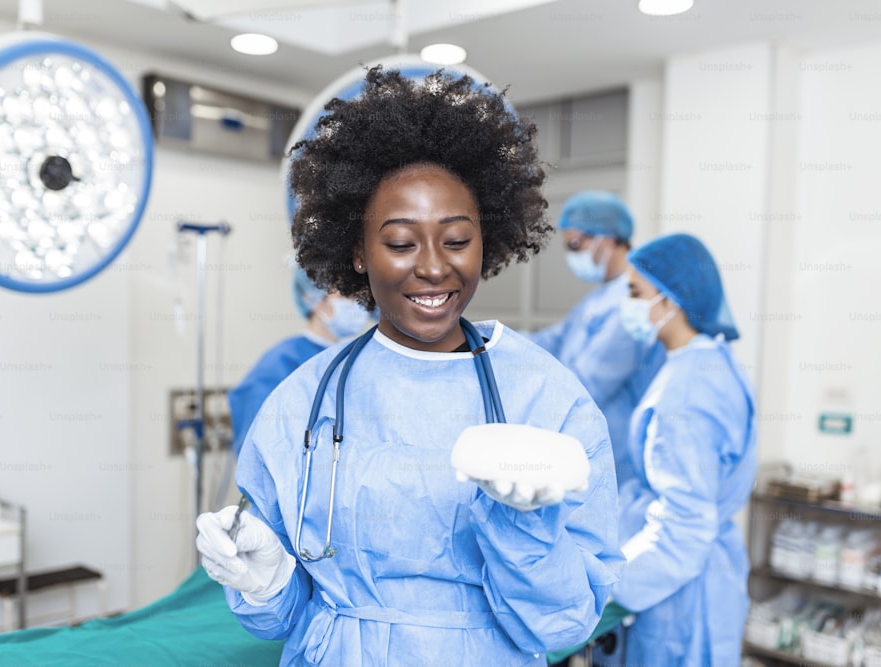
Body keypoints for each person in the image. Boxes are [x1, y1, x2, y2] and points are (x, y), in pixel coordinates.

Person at [195, 65, 625, 666]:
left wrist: (527, 536)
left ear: (489, 239)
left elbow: (564, 627)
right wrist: (265, 581)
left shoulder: (544, 397)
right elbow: (288, 616)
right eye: (400, 243)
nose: (432, 268)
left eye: (456, 240)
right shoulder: (304, 401)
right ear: (357, 251)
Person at [609, 232, 757, 666]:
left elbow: (683, 529)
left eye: (636, 292)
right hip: (711, 578)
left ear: (670, 300)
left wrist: (607, 585)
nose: (629, 305)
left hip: (683, 598)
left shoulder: (687, 396)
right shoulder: (714, 359)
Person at [527, 191, 666, 488]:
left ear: (607, 238)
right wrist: (492, 339)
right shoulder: (601, 296)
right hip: (589, 448)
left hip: (616, 457)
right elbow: (555, 339)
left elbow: (589, 383)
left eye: (575, 245)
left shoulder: (633, 301)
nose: (572, 255)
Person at [227, 266, 370, 456]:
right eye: (345, 293)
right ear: (312, 298)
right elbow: (256, 451)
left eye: (358, 294)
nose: (356, 303)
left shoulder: (356, 358)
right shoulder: (282, 362)